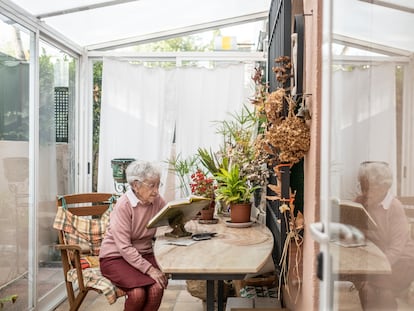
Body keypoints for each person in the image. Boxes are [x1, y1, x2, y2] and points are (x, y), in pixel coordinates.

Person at [99, 160, 168, 311]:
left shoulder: (156, 200)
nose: (156, 191)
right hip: (115, 257)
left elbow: (170, 218)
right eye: (151, 185)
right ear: (136, 185)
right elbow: (123, 247)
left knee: (157, 288)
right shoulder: (124, 205)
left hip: (144, 254)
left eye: (158, 185)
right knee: (137, 294)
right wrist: (150, 269)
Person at [354, 161, 414, 310]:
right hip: (375, 261)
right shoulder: (361, 202)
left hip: (401, 261)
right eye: (363, 187)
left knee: (378, 290)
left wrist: (374, 268)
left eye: (371, 188)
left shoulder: (394, 207)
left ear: (384, 188)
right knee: (367, 288)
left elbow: (396, 249)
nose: (366, 192)